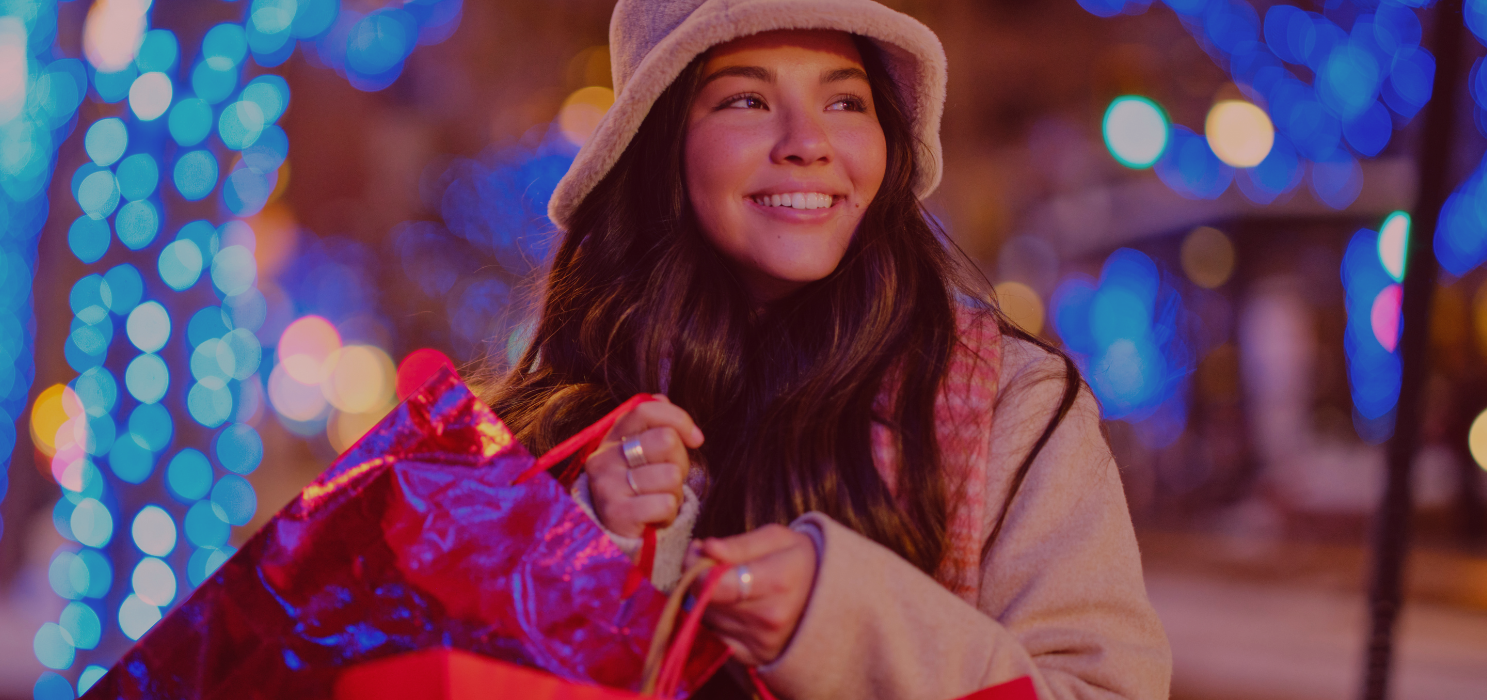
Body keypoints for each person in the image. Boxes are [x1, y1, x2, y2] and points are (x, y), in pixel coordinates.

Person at [486, 0, 1171, 697]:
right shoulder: (552, 441)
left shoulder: (1010, 405)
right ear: (660, 144)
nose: (807, 142)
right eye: (747, 99)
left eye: (846, 100)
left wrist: (849, 623)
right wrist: (604, 555)